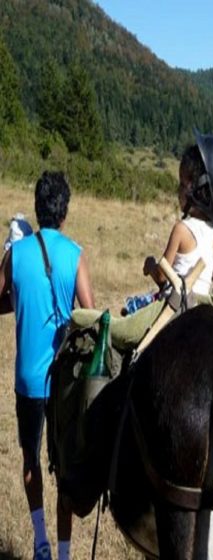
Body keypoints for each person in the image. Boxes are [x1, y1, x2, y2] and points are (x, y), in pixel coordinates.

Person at [0, 171, 95, 560]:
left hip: (27, 381)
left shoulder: (16, 254)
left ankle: (39, 540)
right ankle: (64, 552)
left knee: (30, 459)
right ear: (65, 211)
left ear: (38, 208)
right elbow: (88, 314)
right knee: (65, 467)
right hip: (63, 382)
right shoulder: (74, 254)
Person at [142, 130, 213, 299]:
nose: (178, 189)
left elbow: (161, 276)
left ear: (199, 192)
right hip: (200, 305)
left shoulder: (181, 229)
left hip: (176, 308)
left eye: (182, 183)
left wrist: (151, 265)